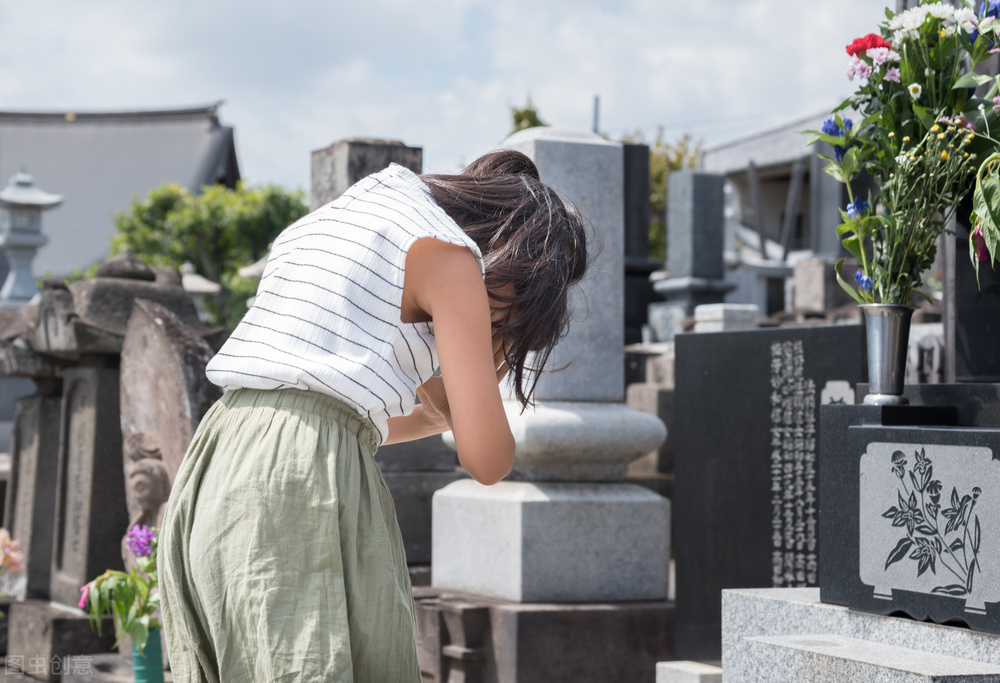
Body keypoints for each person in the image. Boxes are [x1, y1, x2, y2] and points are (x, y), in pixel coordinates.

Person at [158, 149, 588, 682]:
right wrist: (493, 351)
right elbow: (489, 458)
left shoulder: (343, 216)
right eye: (519, 306)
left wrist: (440, 407)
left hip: (221, 452)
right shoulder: (453, 260)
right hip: (299, 484)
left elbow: (349, 419)